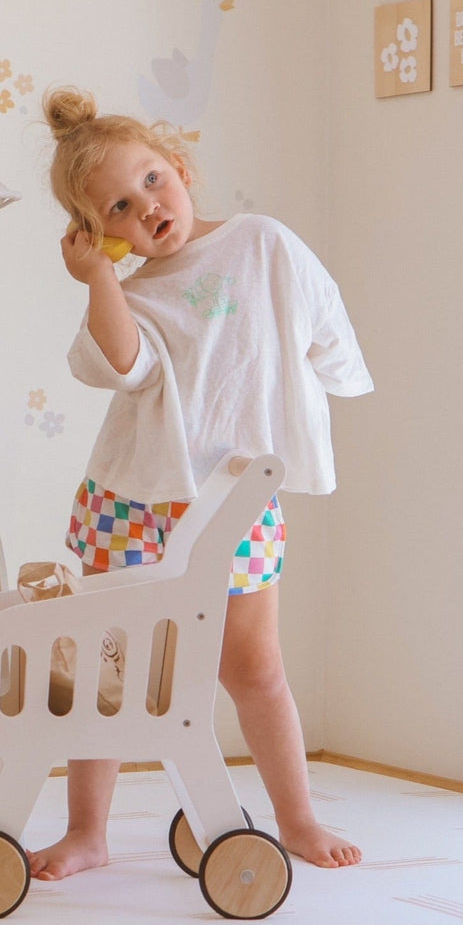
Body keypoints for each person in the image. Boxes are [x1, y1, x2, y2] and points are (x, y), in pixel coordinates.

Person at [27, 86, 373, 881]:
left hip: (236, 502)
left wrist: (324, 387)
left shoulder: (261, 244)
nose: (145, 205)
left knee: (254, 669)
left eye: (151, 180)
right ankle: (89, 833)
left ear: (179, 168)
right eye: (117, 205)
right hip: (131, 505)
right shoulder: (129, 295)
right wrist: (98, 282)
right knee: (109, 675)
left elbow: (320, 320)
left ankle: (297, 818)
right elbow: (125, 367)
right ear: (97, 233)